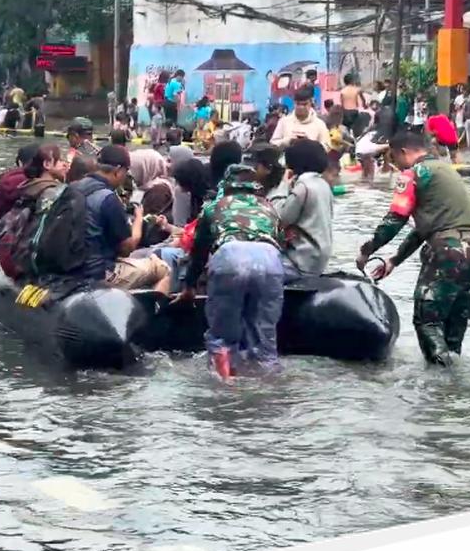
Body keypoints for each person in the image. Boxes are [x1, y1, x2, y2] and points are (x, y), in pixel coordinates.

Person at [356, 131, 470, 367]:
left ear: (403, 152)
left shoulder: (413, 173)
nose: (394, 165)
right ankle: (453, 385)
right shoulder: (445, 170)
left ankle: (439, 384)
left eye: (394, 158)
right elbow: (427, 227)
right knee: (455, 320)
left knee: (427, 321)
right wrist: (395, 259)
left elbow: (396, 218)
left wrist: (367, 250)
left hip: (448, 251)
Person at [175, 163, 286, 380]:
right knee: (265, 337)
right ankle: (269, 387)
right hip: (270, 260)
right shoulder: (269, 207)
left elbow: (199, 252)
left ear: (226, 185)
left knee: (221, 336)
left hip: (229, 257)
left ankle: (224, 388)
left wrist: (189, 286)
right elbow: (281, 243)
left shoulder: (213, 207)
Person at [70, 145, 172, 293]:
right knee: (163, 269)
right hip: (98, 273)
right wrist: (138, 219)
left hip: (70, 269)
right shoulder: (108, 198)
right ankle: (152, 312)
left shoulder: (72, 188)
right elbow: (127, 248)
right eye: (126, 171)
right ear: (118, 170)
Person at [270, 139, 336, 281]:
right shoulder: (324, 185)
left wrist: (282, 186)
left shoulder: (303, 187)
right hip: (318, 260)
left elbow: (279, 218)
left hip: (300, 262)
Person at [0, 143, 42, 250]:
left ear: (20, 162)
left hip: (6, 248)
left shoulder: (4, 183)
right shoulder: (48, 185)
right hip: (34, 251)